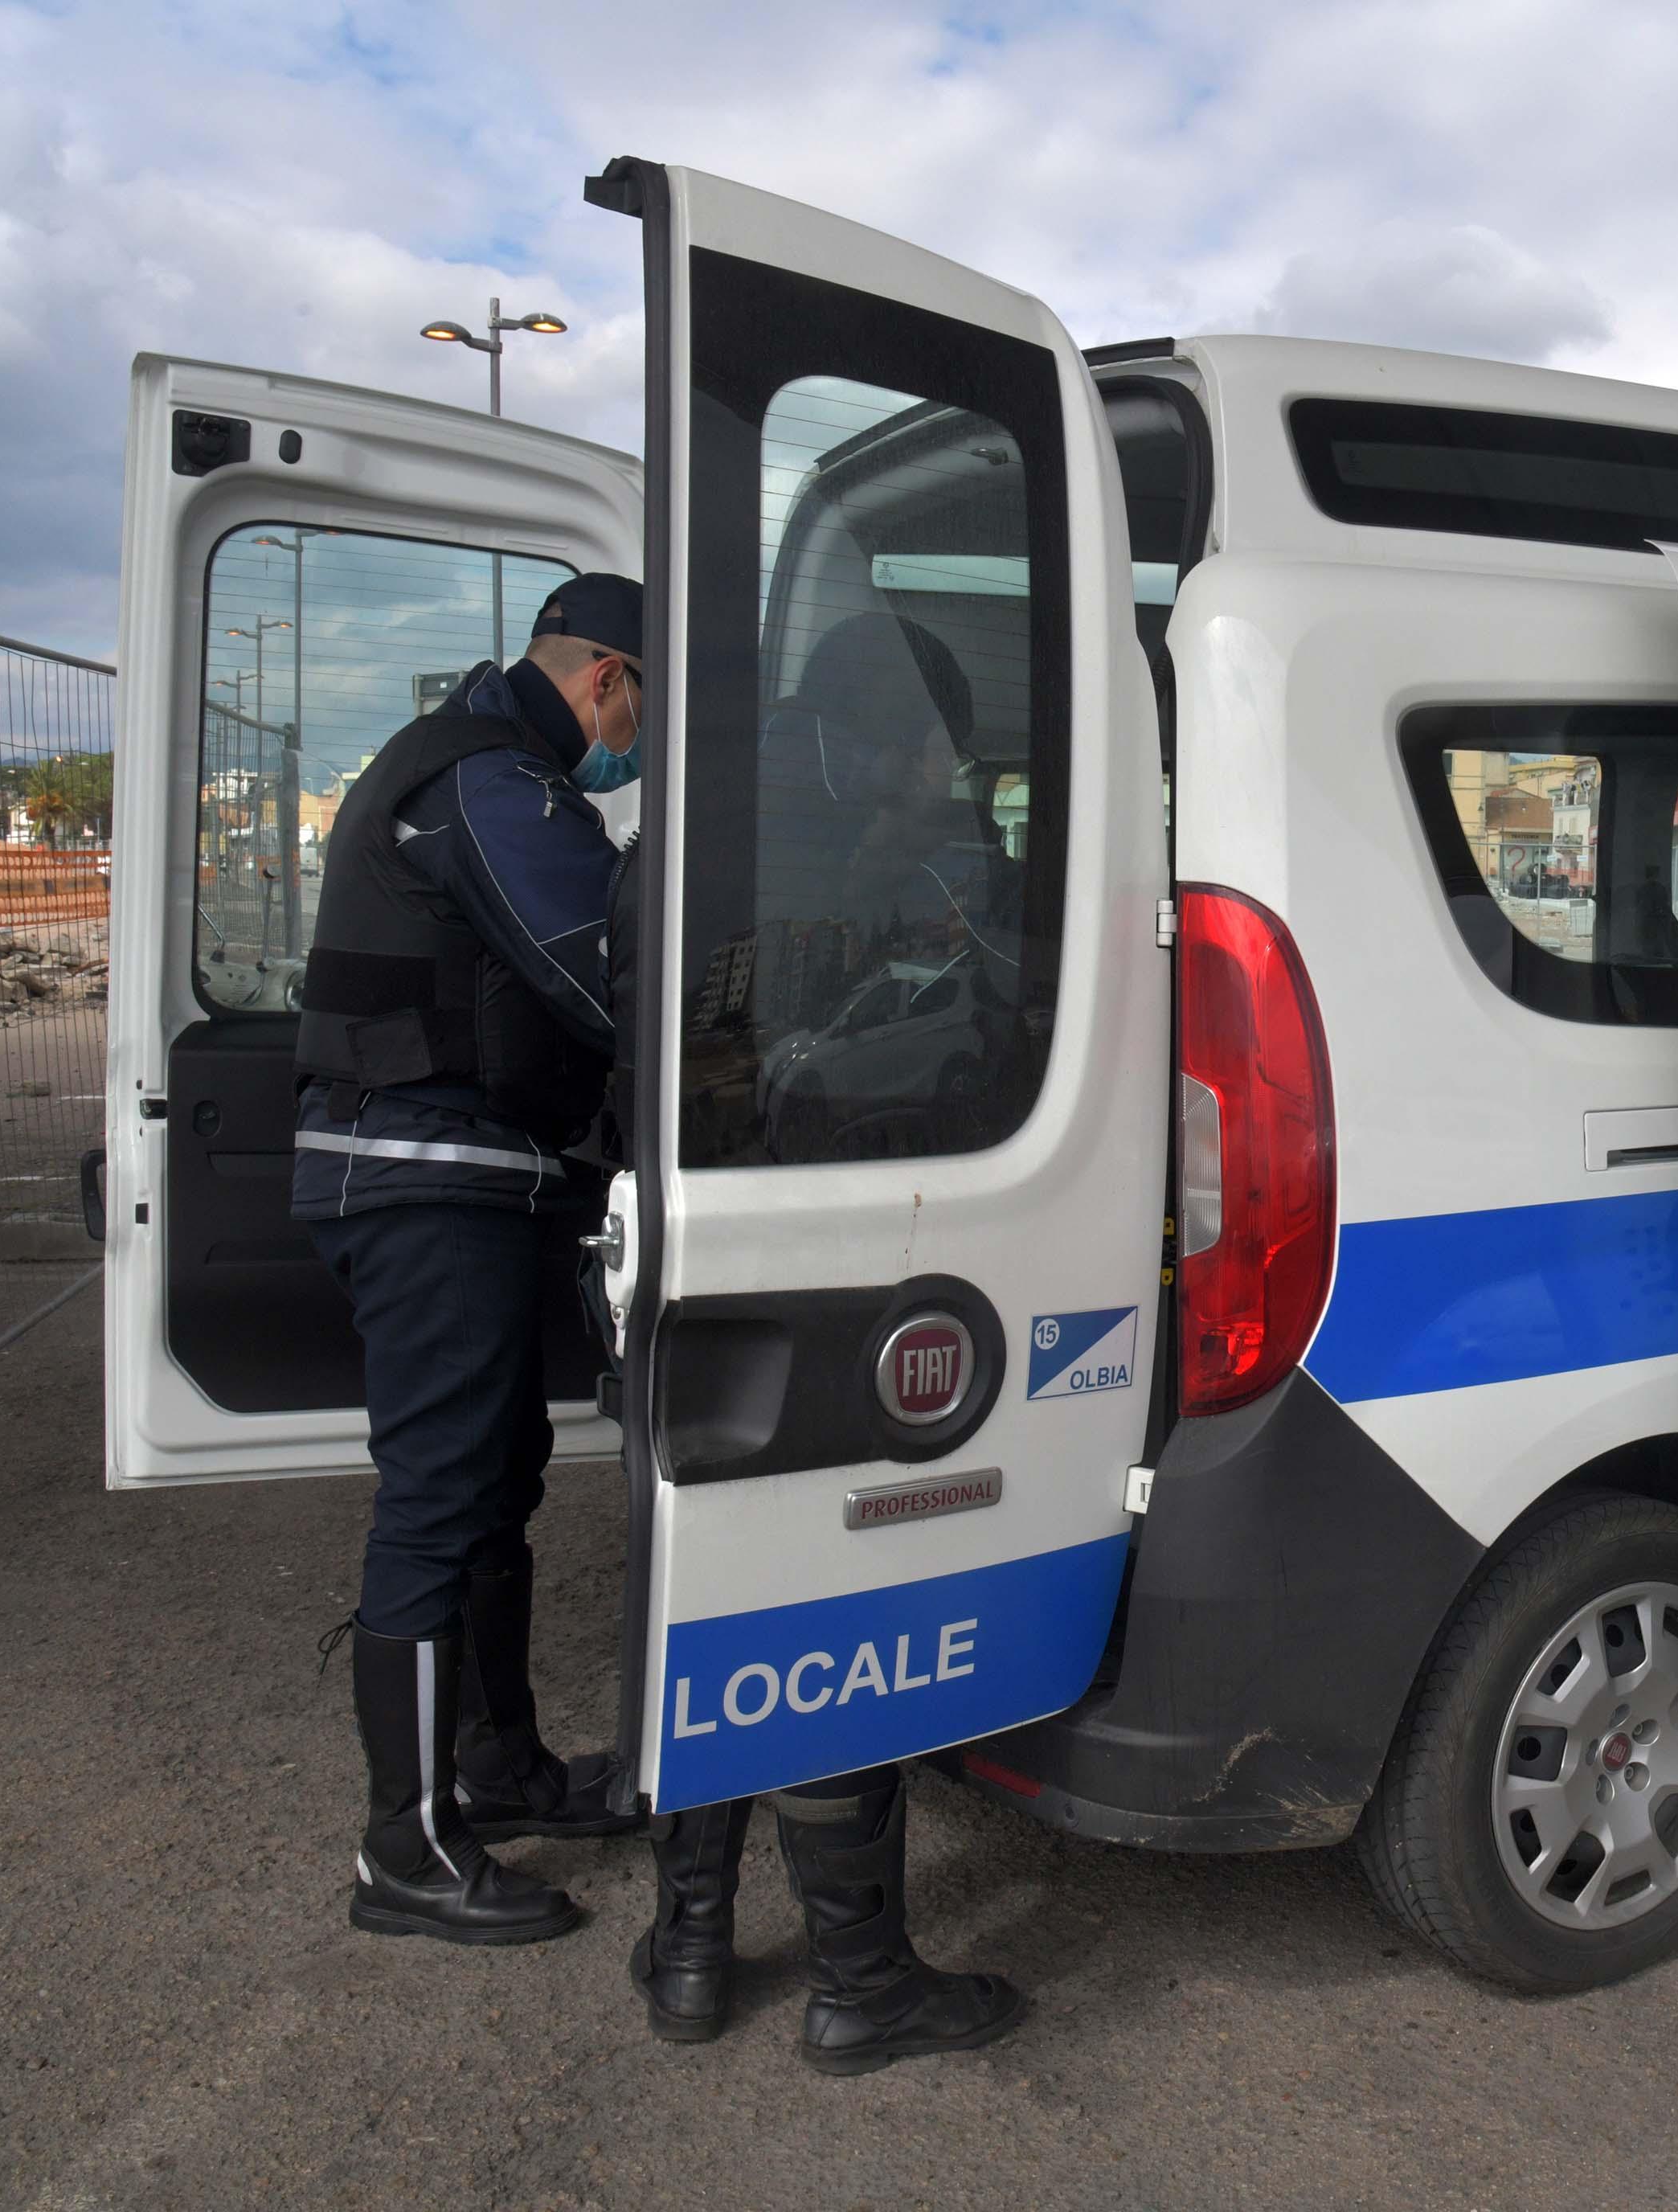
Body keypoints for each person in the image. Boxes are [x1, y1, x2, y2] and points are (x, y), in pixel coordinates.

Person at [630, 612, 1028, 2074]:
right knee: (825, 1631)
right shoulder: (882, 866)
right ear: (872, 749)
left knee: (704, 1602)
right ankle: (858, 1978)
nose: (962, 772)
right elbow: (973, 1037)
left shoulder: (698, 833)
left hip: (689, 1250)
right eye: (942, 744)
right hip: (827, 1249)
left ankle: (686, 1948)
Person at [294, 574, 650, 1945]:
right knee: (441, 1504)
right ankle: (408, 1852)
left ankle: (499, 1772)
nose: (633, 741)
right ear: (608, 678)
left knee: (492, 1487)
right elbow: (599, 967)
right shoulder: (496, 783)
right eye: (640, 709)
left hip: (458, 1179)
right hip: (423, 1184)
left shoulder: (473, 760)